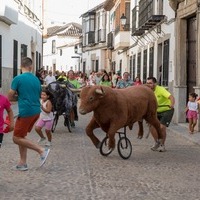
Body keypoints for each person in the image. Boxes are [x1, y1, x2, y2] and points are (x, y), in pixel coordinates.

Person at [7, 57, 50, 171]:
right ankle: (22, 163)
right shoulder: (36, 79)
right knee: (21, 136)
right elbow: (38, 94)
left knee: (16, 138)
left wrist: (19, 97)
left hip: (26, 111)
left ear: (21, 66)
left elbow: (10, 96)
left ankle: (41, 150)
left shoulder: (18, 78)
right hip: (36, 111)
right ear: (31, 67)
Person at [146, 77, 175, 152]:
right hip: (155, 111)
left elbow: (171, 97)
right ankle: (157, 142)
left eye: (150, 83)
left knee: (162, 127)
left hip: (166, 110)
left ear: (155, 84)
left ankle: (162, 145)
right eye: (147, 83)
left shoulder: (161, 89)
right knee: (152, 126)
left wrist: (172, 104)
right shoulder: (147, 91)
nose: (148, 85)